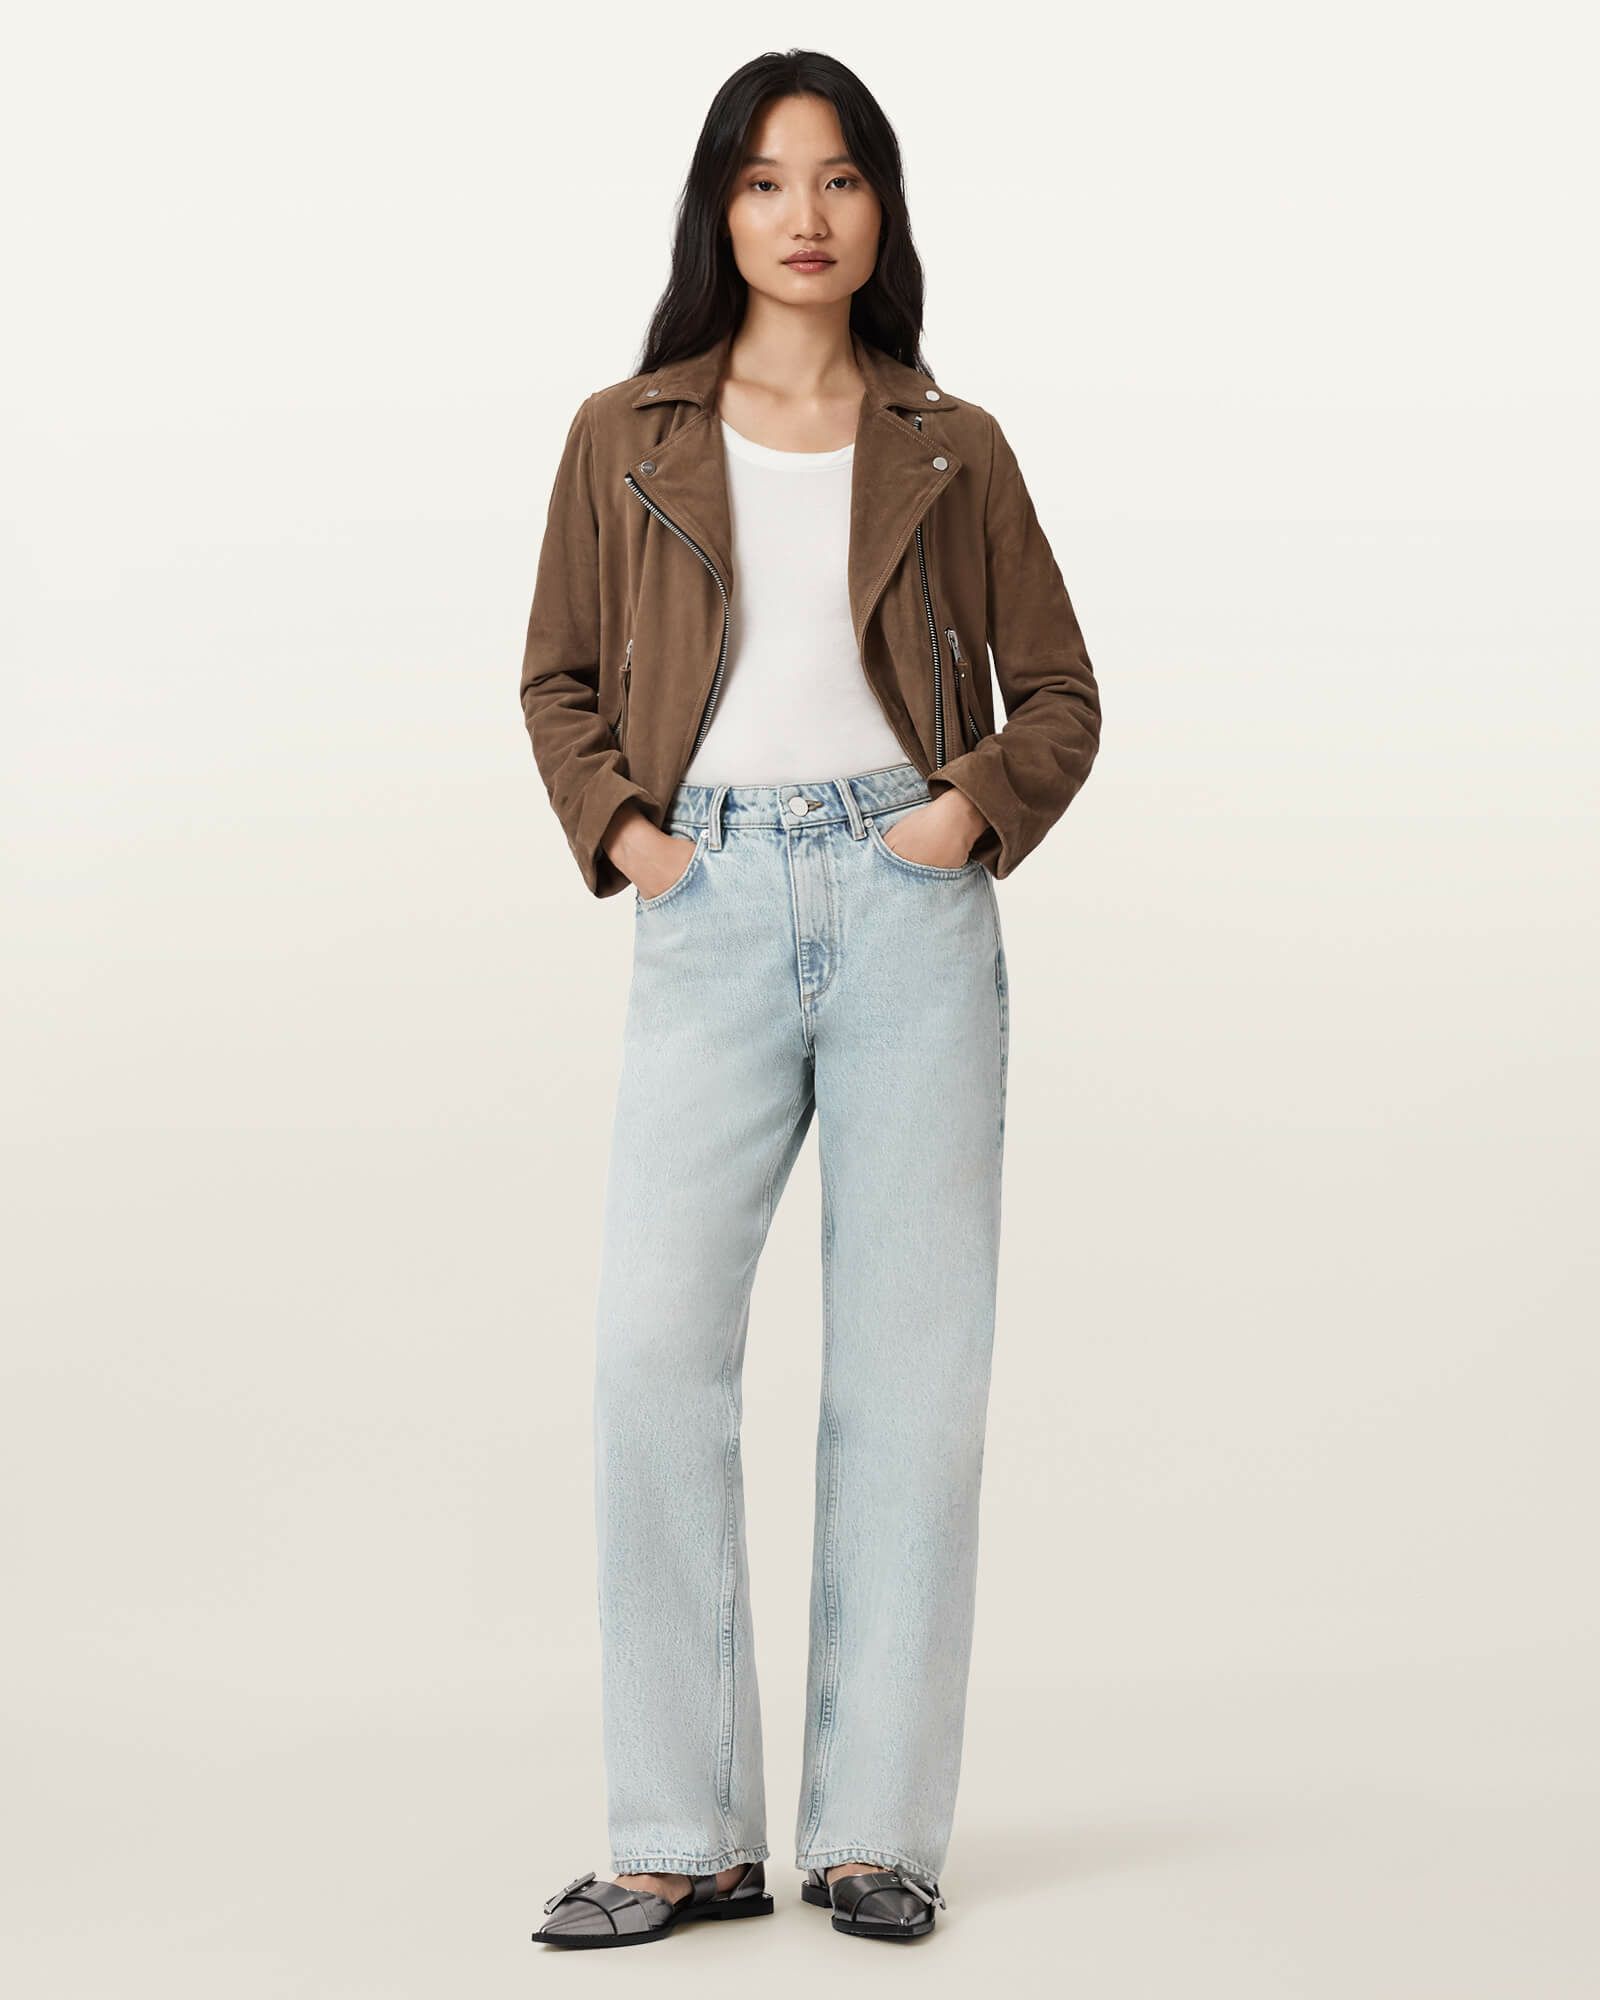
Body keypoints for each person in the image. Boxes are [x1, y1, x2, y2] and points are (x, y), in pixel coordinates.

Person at [520, 48, 1102, 1949]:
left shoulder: (953, 442)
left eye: (840, 178)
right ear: (721, 206)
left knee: (909, 1374)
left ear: (881, 209)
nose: (805, 214)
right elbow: (557, 681)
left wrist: (961, 818)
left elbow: (1062, 695)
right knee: (649, 1352)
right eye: (768, 180)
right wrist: (634, 839)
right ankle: (681, 1828)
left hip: (908, 899)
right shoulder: (626, 432)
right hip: (706, 900)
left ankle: (874, 1832)